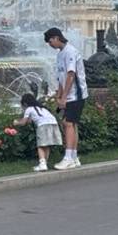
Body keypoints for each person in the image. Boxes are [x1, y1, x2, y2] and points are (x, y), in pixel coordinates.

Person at [43, 27, 86, 170]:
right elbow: (61, 78)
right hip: (69, 95)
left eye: (50, 41)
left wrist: (64, 97)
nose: (50, 45)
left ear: (56, 38)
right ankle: (73, 157)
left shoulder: (70, 52)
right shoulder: (60, 54)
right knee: (71, 124)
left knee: (68, 123)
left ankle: (68, 158)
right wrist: (59, 95)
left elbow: (71, 75)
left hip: (76, 94)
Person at [14, 93, 62, 172]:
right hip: (53, 124)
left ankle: (42, 164)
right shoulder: (42, 108)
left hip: (43, 125)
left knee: (40, 146)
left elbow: (23, 122)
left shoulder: (29, 109)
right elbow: (29, 121)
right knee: (46, 145)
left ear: (25, 103)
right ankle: (44, 163)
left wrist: (16, 122)